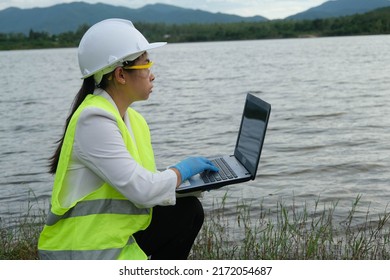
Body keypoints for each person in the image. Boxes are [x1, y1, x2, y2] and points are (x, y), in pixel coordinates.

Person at [37, 18, 218, 260]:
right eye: (146, 64)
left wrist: (194, 185)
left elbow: (141, 185)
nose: (152, 75)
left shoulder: (132, 119)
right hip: (83, 251)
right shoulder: (94, 120)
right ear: (121, 74)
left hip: (114, 236)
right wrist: (181, 170)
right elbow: (143, 190)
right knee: (184, 212)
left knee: (187, 210)